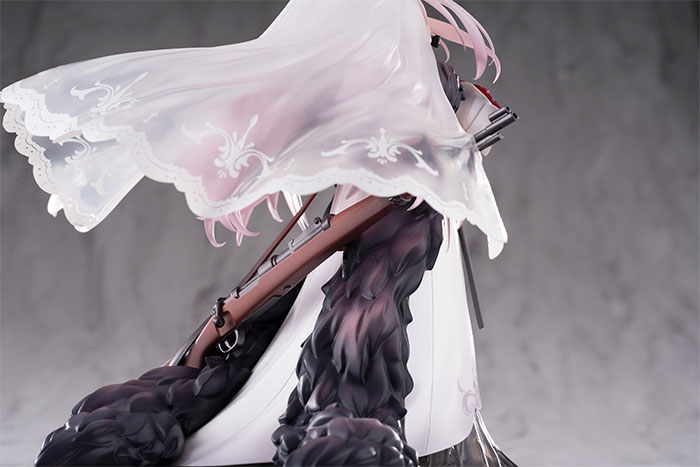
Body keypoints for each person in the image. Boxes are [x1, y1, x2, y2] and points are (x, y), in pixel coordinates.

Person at [0, 0, 515, 465]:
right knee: (344, 331)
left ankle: (406, 439)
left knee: (388, 330)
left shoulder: (438, 82)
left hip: (407, 233)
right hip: (367, 224)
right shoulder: (371, 56)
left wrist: (457, 146)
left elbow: (459, 136)